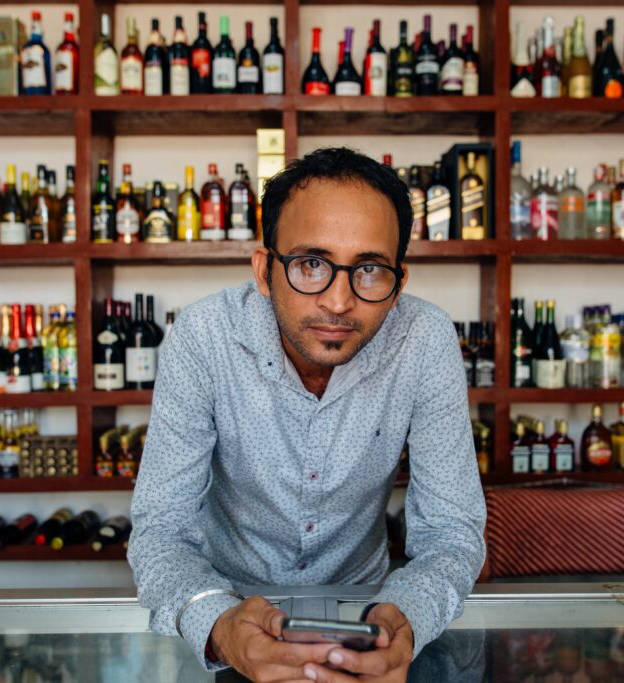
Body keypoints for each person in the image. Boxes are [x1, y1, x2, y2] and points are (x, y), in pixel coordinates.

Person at [128, 147, 486, 682]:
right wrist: (218, 623)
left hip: (366, 610)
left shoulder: (424, 339)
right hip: (229, 607)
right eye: (311, 264)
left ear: (399, 283)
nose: (339, 301)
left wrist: (405, 613)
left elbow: (452, 532)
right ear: (264, 270)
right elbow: (160, 529)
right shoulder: (204, 338)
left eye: (369, 269)